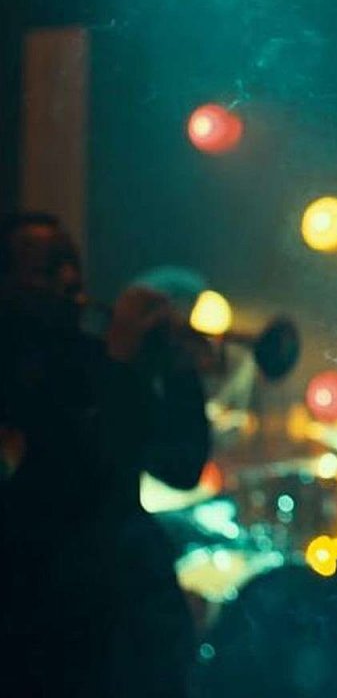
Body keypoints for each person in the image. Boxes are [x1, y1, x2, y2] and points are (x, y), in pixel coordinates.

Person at [0, 211, 210, 696]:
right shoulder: (16, 376)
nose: (70, 279)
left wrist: (180, 374)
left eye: (71, 263)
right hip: (56, 636)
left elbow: (181, 466)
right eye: (48, 269)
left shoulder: (96, 359)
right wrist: (121, 363)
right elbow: (83, 478)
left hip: (132, 626)